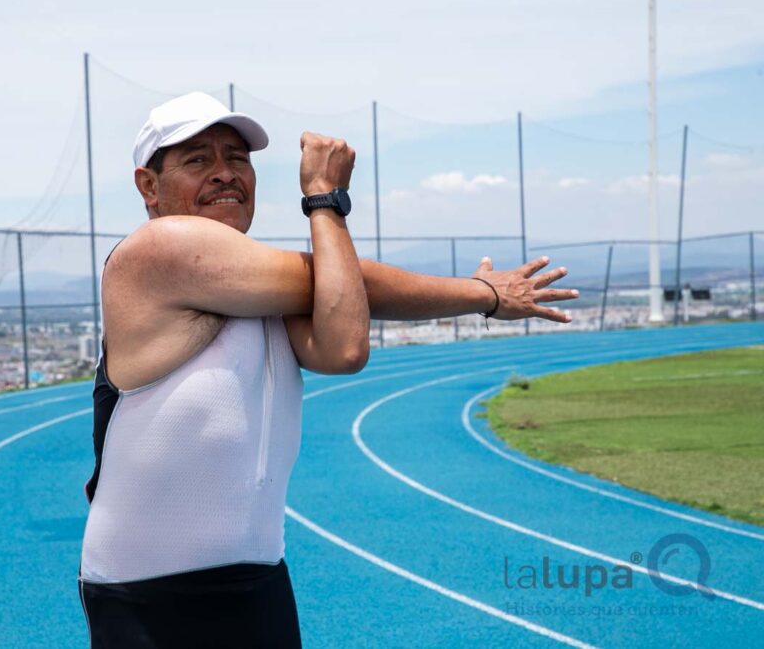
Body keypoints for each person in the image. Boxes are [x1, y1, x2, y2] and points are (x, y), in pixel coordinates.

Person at [78, 92, 577, 648]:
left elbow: (344, 347)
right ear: (148, 186)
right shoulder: (155, 249)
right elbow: (349, 280)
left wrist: (329, 213)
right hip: (149, 600)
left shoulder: (258, 290)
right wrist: (325, 197)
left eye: (237, 158)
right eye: (198, 159)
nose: (224, 173)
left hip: (259, 582)